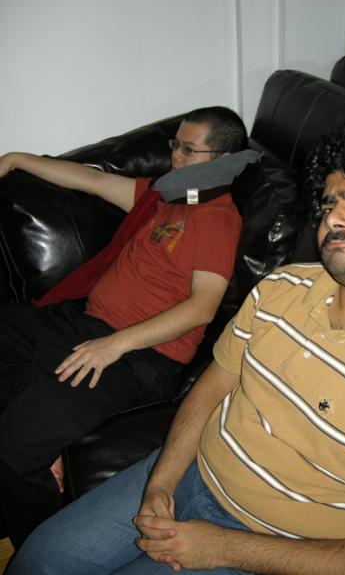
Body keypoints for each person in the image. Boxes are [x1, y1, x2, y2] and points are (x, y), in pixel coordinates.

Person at [7, 112, 345, 575]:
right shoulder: (282, 287)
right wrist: (162, 480)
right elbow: (213, 386)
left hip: (272, 544)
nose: (334, 217)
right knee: (37, 563)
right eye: (328, 203)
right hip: (190, 473)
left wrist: (221, 548)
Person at [0, 106, 258, 548]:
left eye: (189, 149)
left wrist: (114, 345)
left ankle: (39, 551)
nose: (176, 157)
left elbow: (202, 307)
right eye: (175, 145)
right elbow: (93, 181)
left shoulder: (216, 217)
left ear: (223, 159)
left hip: (138, 357)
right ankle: (43, 441)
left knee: (11, 449)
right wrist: (16, 159)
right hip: (85, 324)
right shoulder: (168, 196)